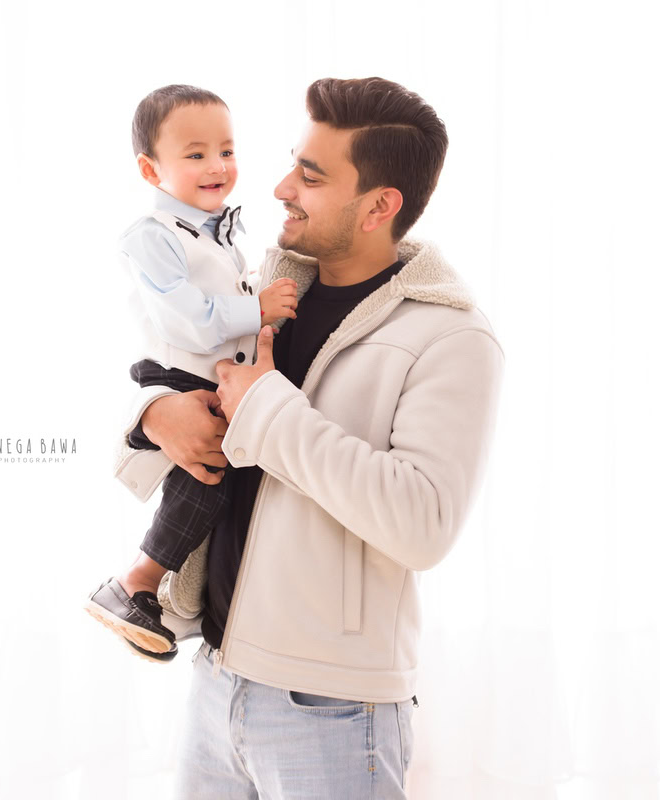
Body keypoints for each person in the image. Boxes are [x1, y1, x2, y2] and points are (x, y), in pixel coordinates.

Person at [118, 76, 504, 797]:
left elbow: (423, 526)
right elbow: (160, 366)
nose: (277, 187)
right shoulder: (263, 290)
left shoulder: (452, 339)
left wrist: (267, 409)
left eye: (311, 175)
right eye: (294, 160)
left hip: (331, 710)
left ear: (379, 207)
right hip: (215, 676)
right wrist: (149, 417)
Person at [85, 84, 299, 662]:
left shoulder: (217, 235)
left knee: (211, 489)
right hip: (180, 374)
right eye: (196, 153)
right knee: (203, 483)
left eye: (226, 151)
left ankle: (159, 601)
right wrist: (258, 308)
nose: (217, 166)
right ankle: (135, 584)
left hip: (214, 378)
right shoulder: (151, 237)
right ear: (150, 169)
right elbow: (188, 322)